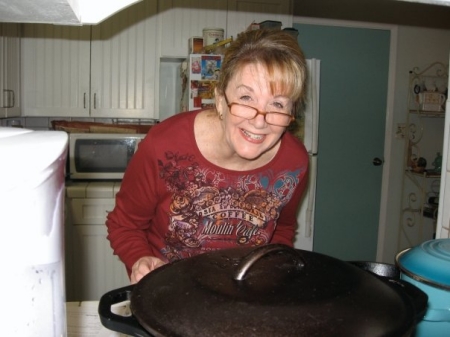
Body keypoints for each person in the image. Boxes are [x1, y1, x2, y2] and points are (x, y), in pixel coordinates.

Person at [106, 29, 309, 284]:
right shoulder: (164, 145)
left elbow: (283, 228)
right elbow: (125, 224)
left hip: (246, 296)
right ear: (220, 100)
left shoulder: (294, 162)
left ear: (291, 113)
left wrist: (273, 266)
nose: (259, 121)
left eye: (278, 105)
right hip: (170, 291)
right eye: (246, 97)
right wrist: (140, 258)